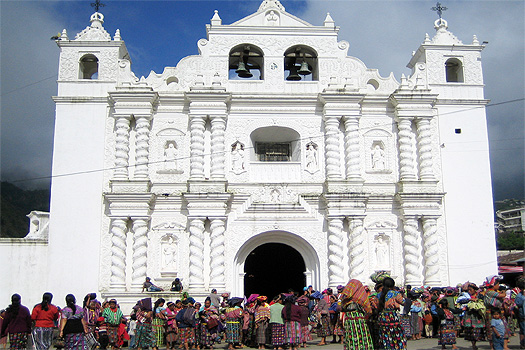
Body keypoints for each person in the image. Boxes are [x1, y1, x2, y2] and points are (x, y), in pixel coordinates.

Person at [339, 279, 374, 350]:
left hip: (348, 318)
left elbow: (341, 308)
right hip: (359, 317)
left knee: (350, 337)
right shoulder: (360, 296)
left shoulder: (345, 298)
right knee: (361, 336)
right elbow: (367, 308)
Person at [375, 277, 406, 349]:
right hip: (392, 316)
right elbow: (403, 302)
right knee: (395, 334)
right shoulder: (395, 294)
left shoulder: (378, 295)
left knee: (385, 335)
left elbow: (376, 306)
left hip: (383, 317)